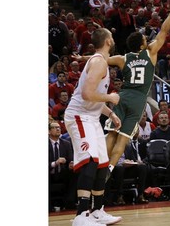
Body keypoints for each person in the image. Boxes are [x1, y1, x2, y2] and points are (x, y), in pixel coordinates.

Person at [103, 0, 170, 177]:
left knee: (111, 134)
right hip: (138, 101)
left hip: (122, 97)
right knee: (122, 140)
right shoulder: (151, 53)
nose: (146, 39)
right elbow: (164, 29)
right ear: (142, 43)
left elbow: (101, 59)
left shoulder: (123, 59)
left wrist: (82, 58)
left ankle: (101, 165)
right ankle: (109, 169)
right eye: (144, 38)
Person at [64, 28, 123, 226]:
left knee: (102, 162)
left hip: (92, 117)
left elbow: (93, 98)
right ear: (107, 41)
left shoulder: (100, 61)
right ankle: (81, 215)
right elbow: (87, 95)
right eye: (112, 37)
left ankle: (98, 210)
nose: (113, 40)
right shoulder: (98, 63)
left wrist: (111, 113)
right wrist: (110, 97)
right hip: (80, 116)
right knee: (90, 161)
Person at [109, 131, 149, 205]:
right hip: (113, 170)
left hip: (126, 168)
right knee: (119, 168)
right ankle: (119, 196)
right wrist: (119, 163)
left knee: (142, 167)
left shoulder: (128, 145)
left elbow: (132, 159)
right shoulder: (108, 145)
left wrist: (131, 162)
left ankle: (140, 195)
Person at [49, 121, 77, 210]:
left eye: (59, 127)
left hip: (63, 172)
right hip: (49, 172)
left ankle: (70, 203)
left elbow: (70, 160)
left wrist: (71, 164)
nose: (58, 129)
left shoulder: (66, 143)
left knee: (75, 173)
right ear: (48, 131)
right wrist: (55, 163)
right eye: (54, 127)